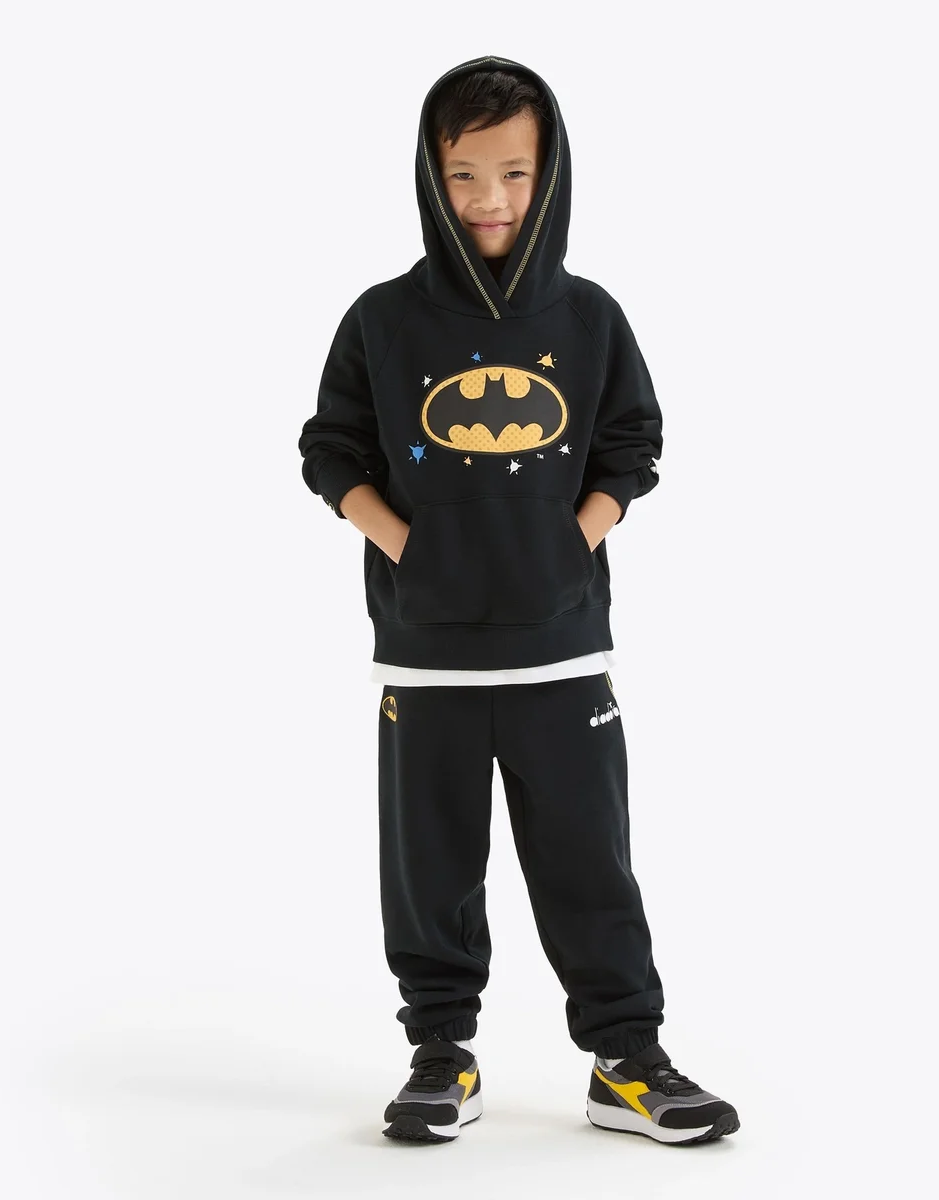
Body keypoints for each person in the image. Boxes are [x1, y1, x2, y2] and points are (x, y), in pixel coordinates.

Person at [298, 55, 738, 1146]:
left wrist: (565, 542)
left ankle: (626, 1059)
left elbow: (631, 445)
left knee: (590, 858)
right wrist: (408, 548)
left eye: (513, 173)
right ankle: (440, 1054)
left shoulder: (587, 319)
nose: (488, 199)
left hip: (560, 650)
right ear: (428, 176)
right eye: (462, 174)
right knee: (430, 866)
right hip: (426, 656)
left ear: (551, 175)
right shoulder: (383, 320)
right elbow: (330, 450)